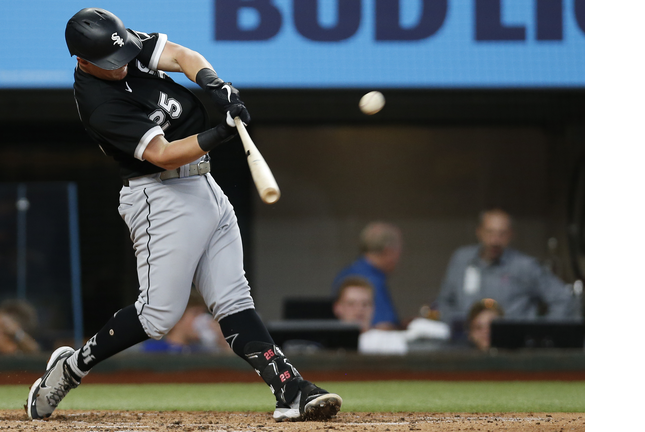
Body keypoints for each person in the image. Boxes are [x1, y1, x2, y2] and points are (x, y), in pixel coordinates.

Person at [26, 8, 341, 422]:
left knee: (233, 298)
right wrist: (219, 133)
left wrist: (214, 83)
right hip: (160, 196)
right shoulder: (98, 103)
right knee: (158, 315)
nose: (120, 67)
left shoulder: (123, 45)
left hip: (203, 186)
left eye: (122, 57)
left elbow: (180, 56)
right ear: (84, 62)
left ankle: (290, 387)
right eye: (109, 64)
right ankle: (71, 368)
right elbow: (161, 154)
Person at [435, 209, 579, 332]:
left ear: (511, 235)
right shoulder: (461, 259)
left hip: (513, 346)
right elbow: (443, 302)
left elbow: (564, 299)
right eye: (490, 232)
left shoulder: (524, 265)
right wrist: (459, 327)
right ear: (479, 232)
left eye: (501, 234)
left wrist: (542, 332)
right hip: (467, 343)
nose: (495, 240)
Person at [332, 221, 402, 330]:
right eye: (352, 304)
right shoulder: (370, 280)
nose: (359, 309)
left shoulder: (347, 272)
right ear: (388, 251)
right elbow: (382, 326)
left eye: (365, 304)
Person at [141, 289, 231, 353]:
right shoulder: (152, 349)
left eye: (203, 312)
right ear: (177, 318)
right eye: (196, 313)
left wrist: (222, 341)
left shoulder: (204, 351)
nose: (202, 318)